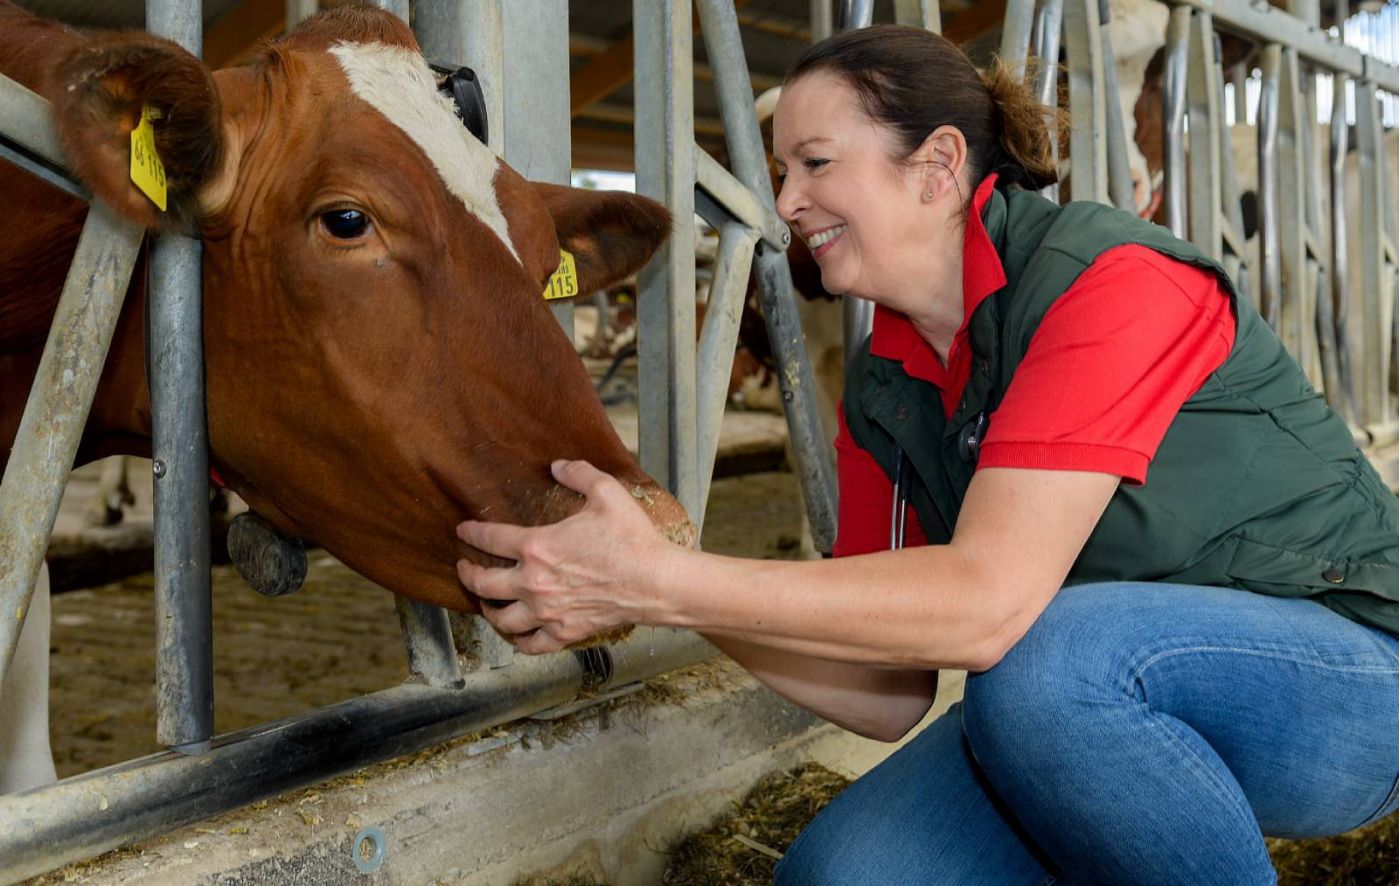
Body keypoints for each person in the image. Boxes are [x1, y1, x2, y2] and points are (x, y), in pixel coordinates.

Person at [455, 25, 1398, 885]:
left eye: (815, 162)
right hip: (1099, 701)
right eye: (781, 172)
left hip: (1350, 673)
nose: (785, 202)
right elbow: (881, 693)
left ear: (937, 166)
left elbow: (987, 608)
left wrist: (662, 584)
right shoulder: (884, 387)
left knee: (1048, 667)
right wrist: (657, 576)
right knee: (845, 876)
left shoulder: (1110, 284)